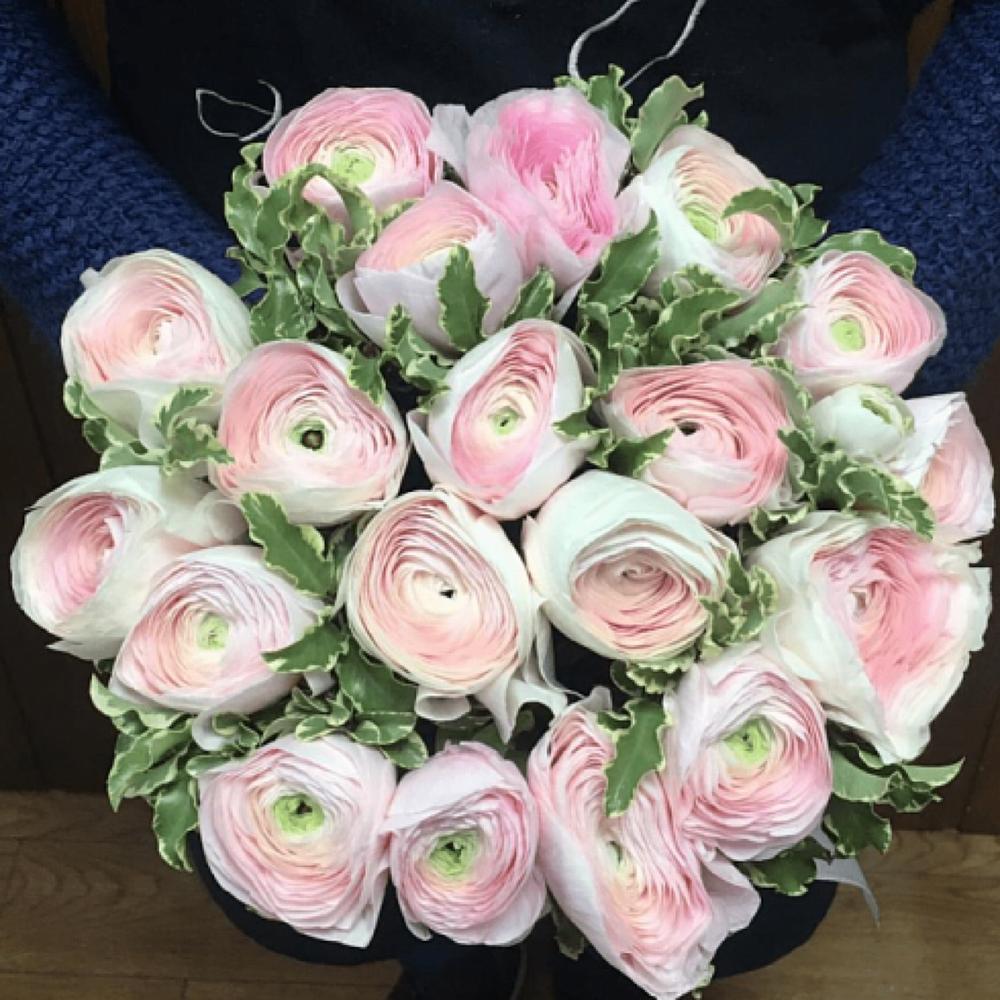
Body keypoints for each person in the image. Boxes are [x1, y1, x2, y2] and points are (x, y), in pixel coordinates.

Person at [1, 1, 998, 997]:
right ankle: (454, 958)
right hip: (269, 309)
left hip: (750, 307)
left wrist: (852, 340)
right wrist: (209, 347)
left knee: (671, 857)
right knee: (413, 853)